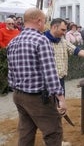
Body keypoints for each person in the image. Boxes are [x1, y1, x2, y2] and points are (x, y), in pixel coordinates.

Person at [7, 8, 67, 146]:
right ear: (39, 21)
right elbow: (51, 74)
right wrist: (61, 98)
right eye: (44, 21)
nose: (45, 24)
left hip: (18, 96)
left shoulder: (13, 42)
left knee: (26, 132)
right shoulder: (41, 40)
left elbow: (10, 74)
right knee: (53, 132)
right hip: (37, 98)